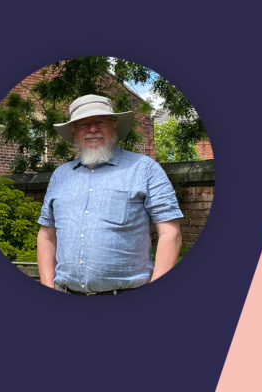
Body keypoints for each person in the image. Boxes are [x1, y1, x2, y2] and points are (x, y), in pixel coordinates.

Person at [36, 94, 184, 295]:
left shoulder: (145, 169)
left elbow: (170, 233)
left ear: (114, 127)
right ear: (72, 132)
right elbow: (46, 235)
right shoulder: (60, 176)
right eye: (83, 124)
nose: (93, 129)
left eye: (101, 121)